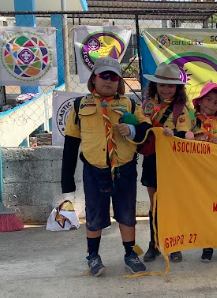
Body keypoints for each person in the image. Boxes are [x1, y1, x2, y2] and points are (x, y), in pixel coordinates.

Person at [61, 57, 152, 276]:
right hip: (95, 170)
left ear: (119, 81)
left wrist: (132, 130)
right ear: (94, 79)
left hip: (124, 169)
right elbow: (71, 143)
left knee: (127, 214)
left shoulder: (129, 104)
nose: (108, 81)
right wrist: (67, 179)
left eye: (114, 77)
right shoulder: (80, 105)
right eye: (104, 75)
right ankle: (93, 256)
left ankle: (130, 253)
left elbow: (146, 129)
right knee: (94, 215)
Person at [141, 62, 194, 263]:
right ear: (155, 85)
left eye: (170, 85)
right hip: (152, 159)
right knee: (154, 204)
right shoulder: (146, 106)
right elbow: (140, 127)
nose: (165, 89)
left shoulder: (181, 108)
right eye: (162, 84)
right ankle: (154, 244)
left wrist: (174, 134)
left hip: (173, 162)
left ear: (177, 87)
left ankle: (175, 245)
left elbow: (186, 134)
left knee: (172, 203)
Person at [191, 82, 217, 263]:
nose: (211, 105)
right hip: (200, 174)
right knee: (206, 210)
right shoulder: (190, 122)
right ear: (200, 101)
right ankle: (207, 245)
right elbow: (182, 142)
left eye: (216, 102)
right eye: (208, 100)